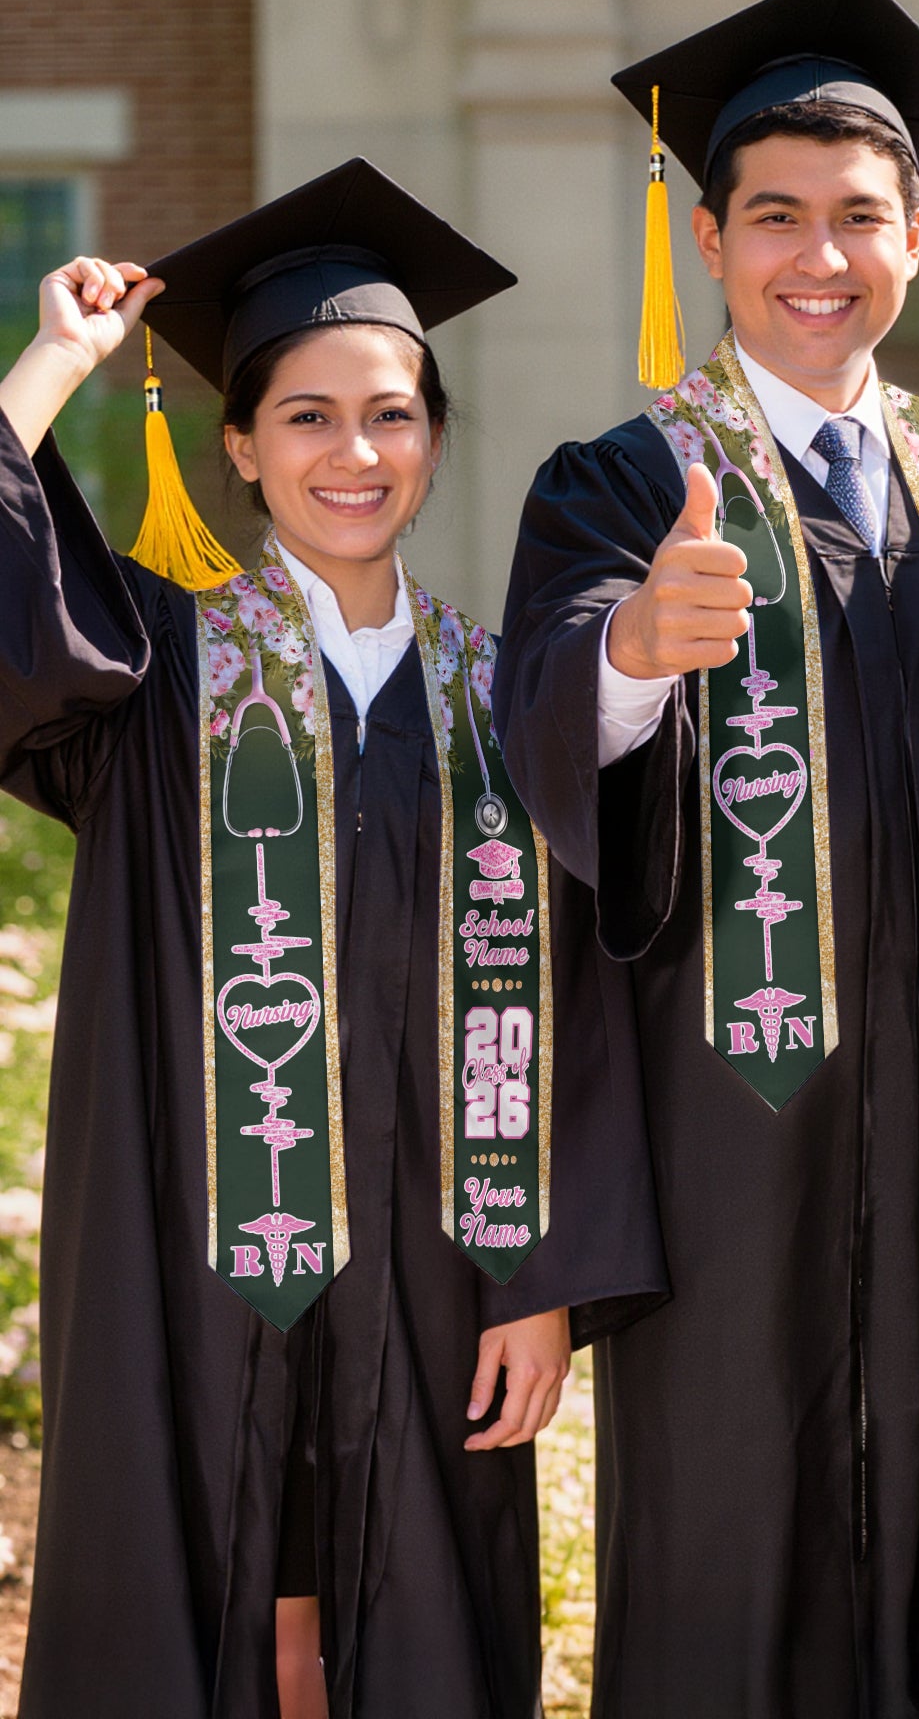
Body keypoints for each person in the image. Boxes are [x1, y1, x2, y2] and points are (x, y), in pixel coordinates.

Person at [494, 0, 919, 1718]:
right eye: (776, 217)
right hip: (732, 1138)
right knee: (734, 1559)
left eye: (860, 216)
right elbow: (538, 720)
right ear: (710, 241)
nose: (818, 256)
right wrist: (630, 652)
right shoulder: (618, 483)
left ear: (917, 234)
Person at [0, 159, 664, 1718]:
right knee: (196, 1589)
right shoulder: (153, 671)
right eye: (305, 416)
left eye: (391, 413)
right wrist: (53, 365)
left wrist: (544, 1279)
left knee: (420, 1616)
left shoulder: (509, 699)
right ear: (238, 445)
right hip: (186, 1254)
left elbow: (577, 1005)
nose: (352, 452)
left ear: (434, 437)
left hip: (438, 1277)